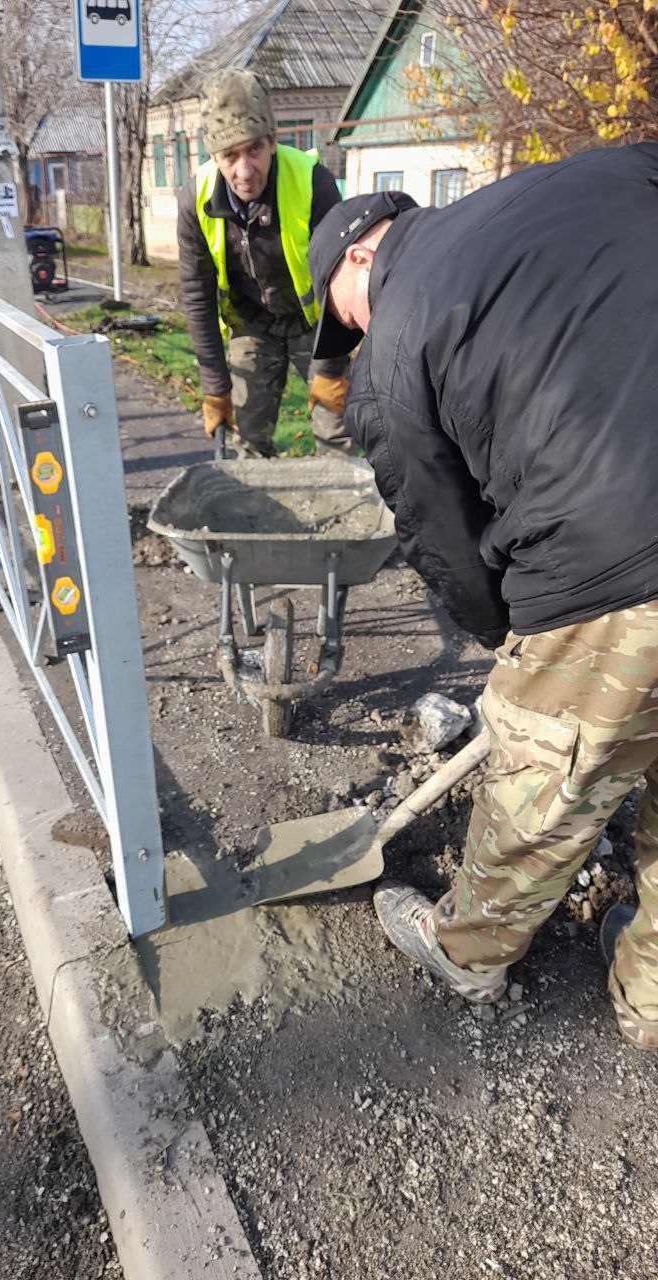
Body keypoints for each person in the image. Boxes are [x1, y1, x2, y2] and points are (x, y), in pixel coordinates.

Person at [307, 143, 658, 1049]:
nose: (350, 337)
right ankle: (651, 992)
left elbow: (445, 546)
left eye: (342, 320)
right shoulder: (586, 177)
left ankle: (467, 954)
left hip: (615, 549)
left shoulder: (392, 339)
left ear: (358, 255)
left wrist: (512, 641)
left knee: (543, 782)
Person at [177, 68, 353, 457]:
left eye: (254, 149)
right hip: (252, 324)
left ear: (272, 141)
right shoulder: (196, 198)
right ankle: (259, 516)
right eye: (229, 155)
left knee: (336, 429)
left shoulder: (312, 182)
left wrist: (330, 368)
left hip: (318, 325)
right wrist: (215, 387)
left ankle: (342, 509)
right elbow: (196, 296)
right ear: (214, 156)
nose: (244, 171)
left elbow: (343, 281)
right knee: (249, 440)